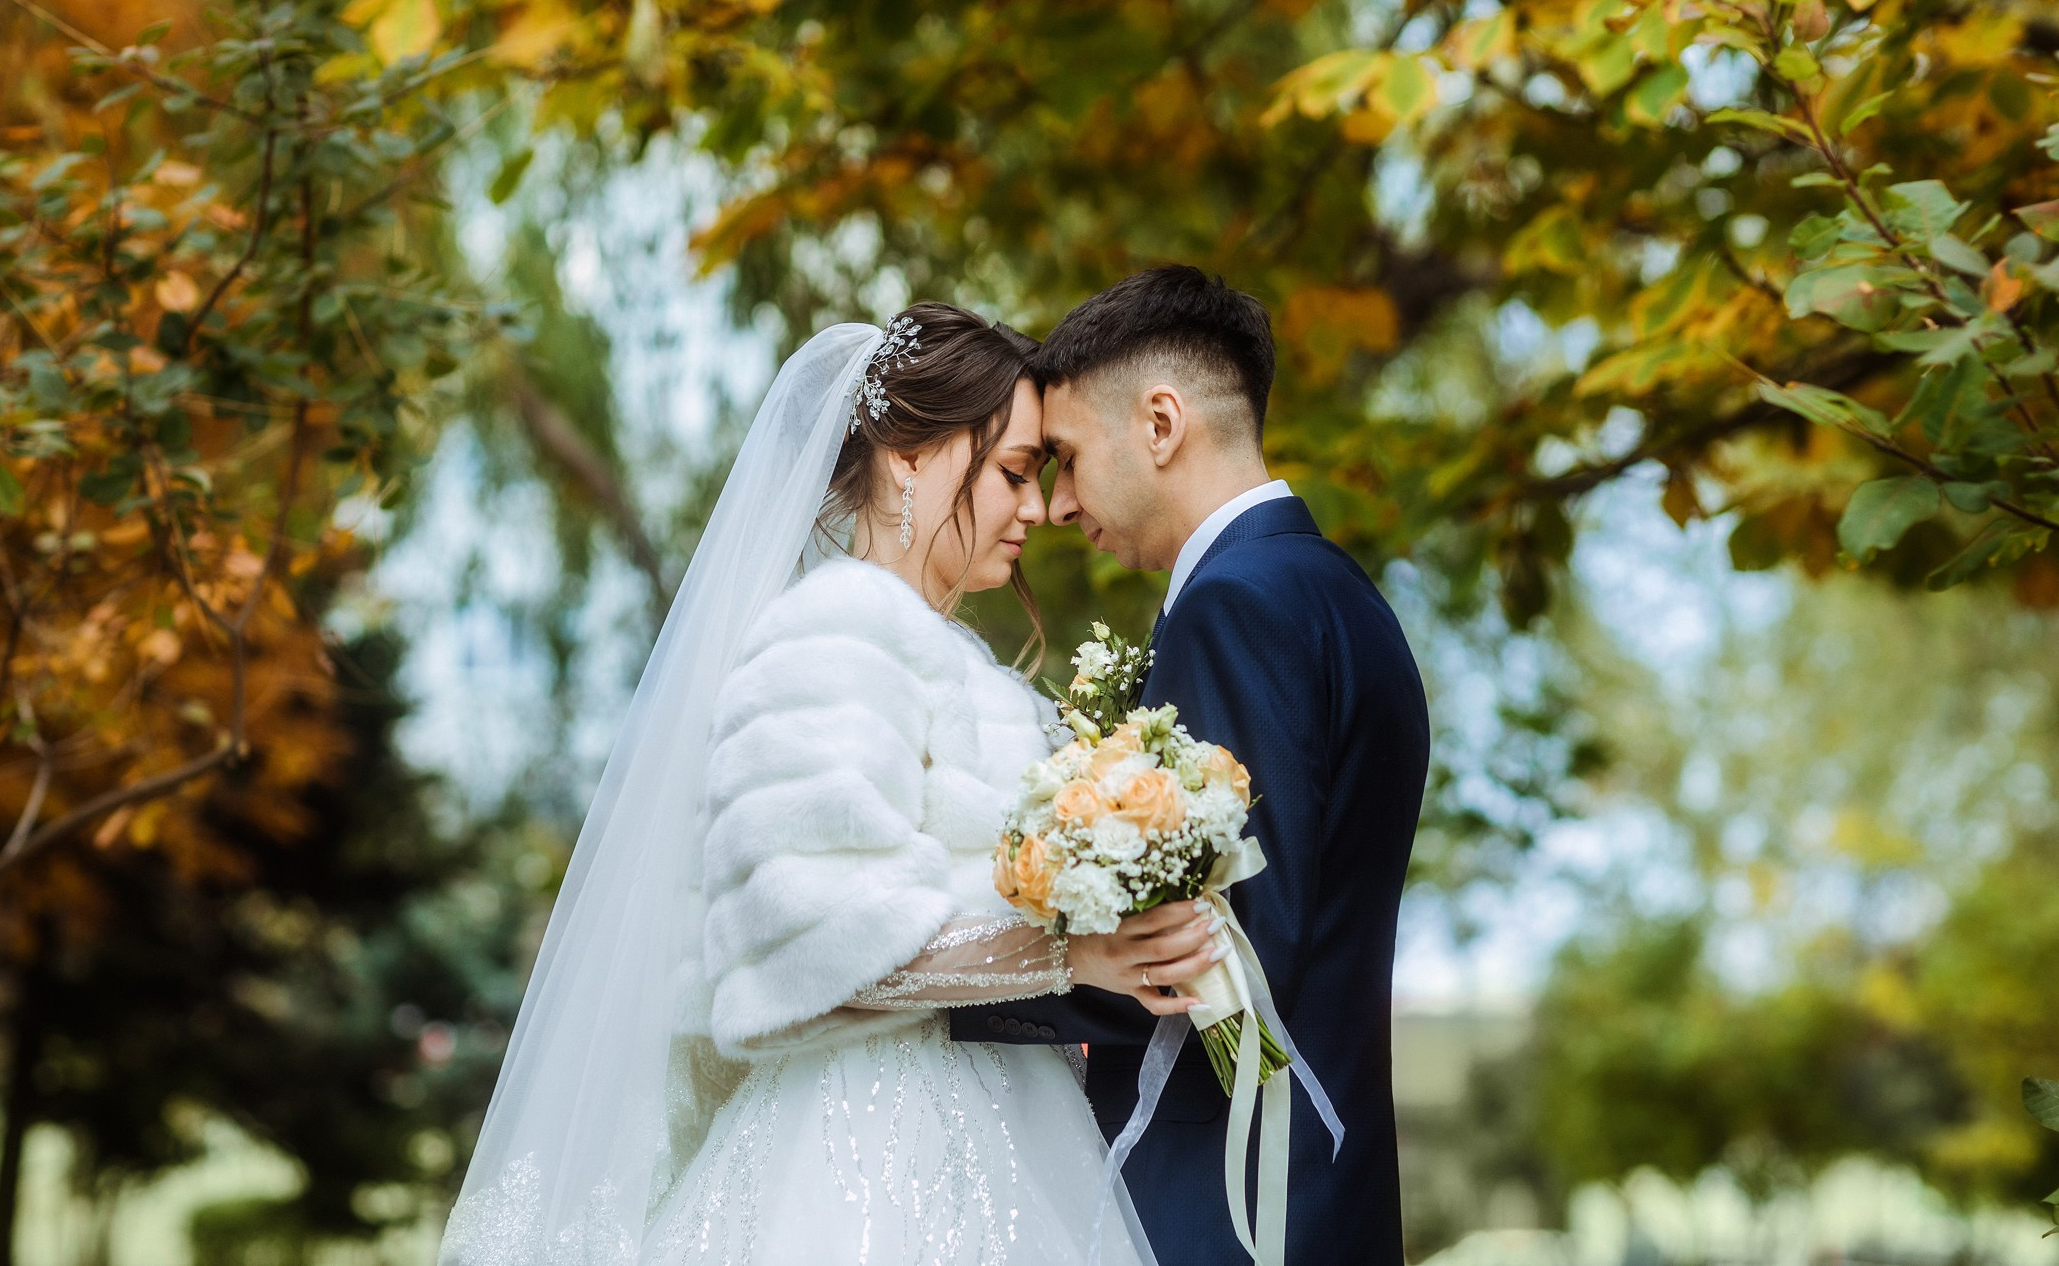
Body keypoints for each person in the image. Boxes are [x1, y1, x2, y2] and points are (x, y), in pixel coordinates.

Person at [439, 303, 1220, 1266]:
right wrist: (1072, 953)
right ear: (908, 457)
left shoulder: (966, 664)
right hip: (856, 1151)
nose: (1032, 509)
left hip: (1006, 1124)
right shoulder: (836, 630)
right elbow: (805, 953)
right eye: (1014, 472)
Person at [955, 266, 1432, 1266]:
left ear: (1161, 424)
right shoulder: (1338, 595)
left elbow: (1216, 946)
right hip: (1317, 1187)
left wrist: (936, 990)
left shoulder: (1235, 604)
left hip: (1220, 1198)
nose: (1059, 503)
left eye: (1071, 458)